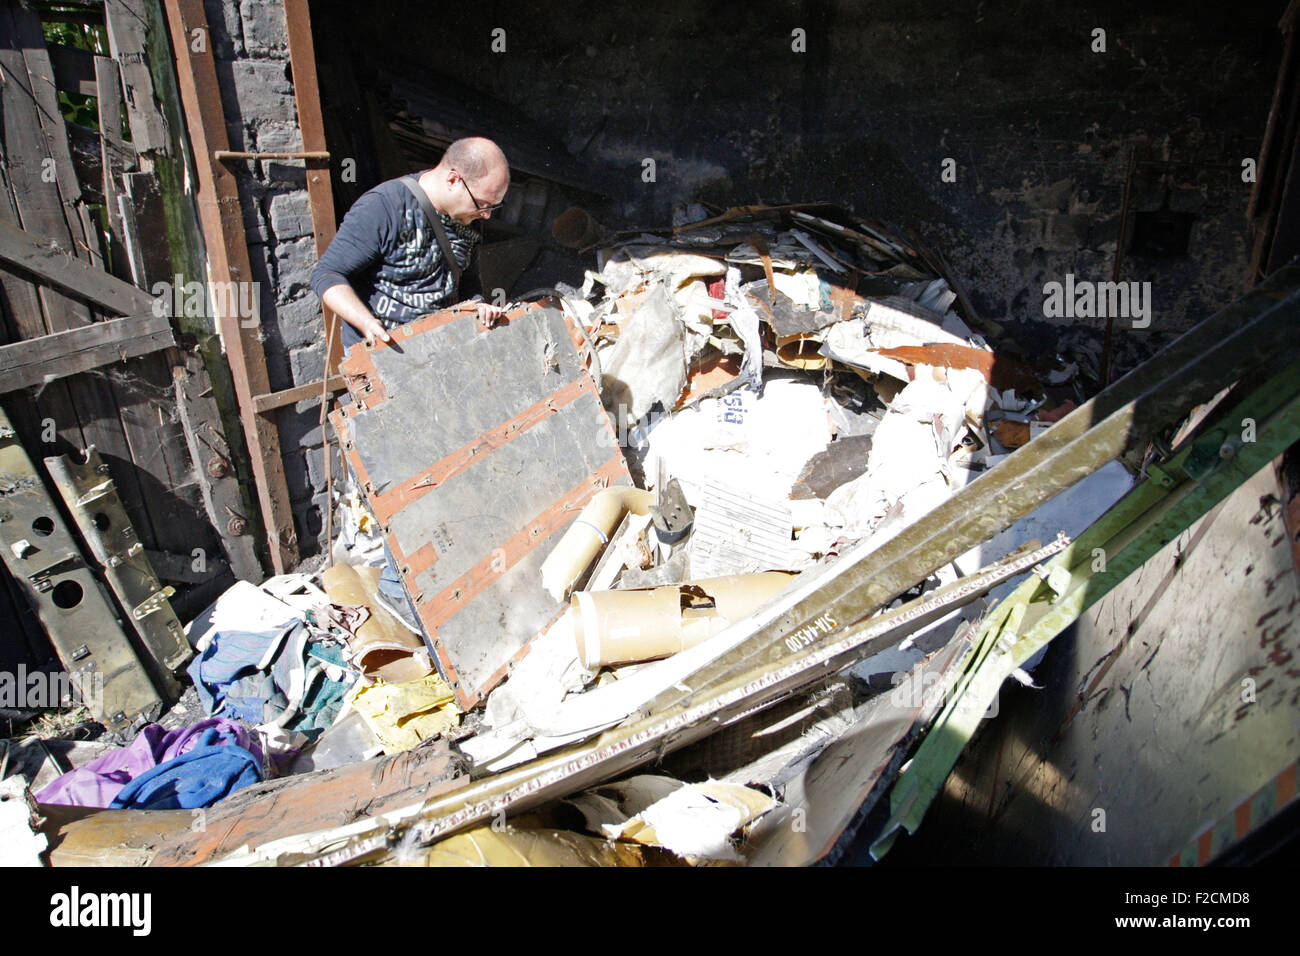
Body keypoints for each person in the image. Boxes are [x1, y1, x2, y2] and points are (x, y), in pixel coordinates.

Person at [310, 137, 510, 348]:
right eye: (483, 204)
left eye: (493, 207)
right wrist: (366, 323)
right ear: (453, 180)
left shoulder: (469, 215)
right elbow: (326, 274)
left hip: (443, 348)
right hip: (388, 352)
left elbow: (468, 278)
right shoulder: (382, 206)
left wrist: (478, 306)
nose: (487, 215)